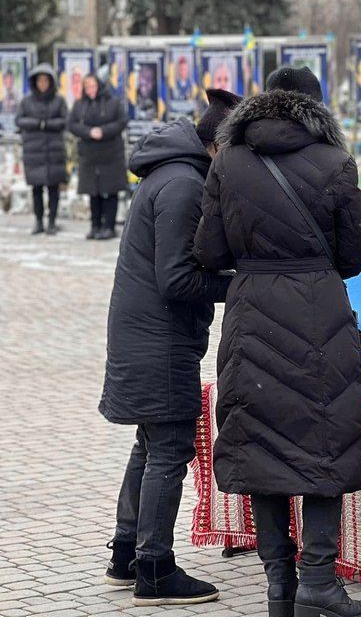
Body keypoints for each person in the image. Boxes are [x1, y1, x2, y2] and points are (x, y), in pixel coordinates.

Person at [194, 67, 361, 617]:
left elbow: (209, 252)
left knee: (260, 444)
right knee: (326, 439)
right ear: (314, 107)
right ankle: (319, 579)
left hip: (252, 314)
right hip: (320, 311)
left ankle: (280, 587)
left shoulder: (227, 161)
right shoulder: (336, 163)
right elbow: (354, 256)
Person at [98, 91, 240, 606]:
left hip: (147, 334)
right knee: (171, 447)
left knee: (151, 441)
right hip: (159, 340)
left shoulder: (174, 173)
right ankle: (154, 569)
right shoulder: (184, 185)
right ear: (220, 147)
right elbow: (178, 280)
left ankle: (126, 552)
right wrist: (242, 283)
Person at [68, 72, 129, 239]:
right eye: (87, 87)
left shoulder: (113, 103)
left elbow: (122, 121)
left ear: (100, 86)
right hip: (89, 154)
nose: (90, 90)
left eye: (93, 86)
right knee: (93, 191)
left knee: (110, 191)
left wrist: (103, 131)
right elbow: (72, 124)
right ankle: (95, 225)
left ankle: (109, 226)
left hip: (111, 154)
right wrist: (88, 132)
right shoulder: (80, 104)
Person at [16, 63, 68, 235]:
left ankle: (52, 222)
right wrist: (39, 124)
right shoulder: (26, 101)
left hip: (54, 151)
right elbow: (20, 120)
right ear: (35, 82)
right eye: (40, 81)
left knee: (54, 188)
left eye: (46, 81)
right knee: (36, 188)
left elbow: (64, 121)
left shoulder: (58, 100)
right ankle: (38, 221)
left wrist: (45, 125)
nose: (43, 84)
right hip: (34, 151)